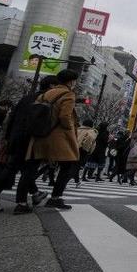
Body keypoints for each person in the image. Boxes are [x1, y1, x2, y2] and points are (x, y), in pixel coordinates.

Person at [0, 77, 56, 214]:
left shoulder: (26, 98)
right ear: (51, 86)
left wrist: (8, 138)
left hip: (16, 138)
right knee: (28, 170)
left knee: (11, 169)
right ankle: (22, 203)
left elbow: (12, 118)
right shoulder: (45, 100)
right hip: (32, 140)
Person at [22, 69, 81, 210]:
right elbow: (65, 116)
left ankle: (29, 194)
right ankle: (55, 197)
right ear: (71, 81)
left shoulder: (46, 94)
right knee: (68, 165)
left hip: (40, 134)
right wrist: (70, 129)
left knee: (33, 165)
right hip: (59, 136)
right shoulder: (68, 94)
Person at [73, 119, 97, 185]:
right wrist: (88, 150)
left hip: (73, 148)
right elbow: (90, 141)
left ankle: (77, 180)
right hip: (82, 149)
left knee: (74, 164)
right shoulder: (91, 131)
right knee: (77, 165)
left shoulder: (77, 129)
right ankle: (66, 181)